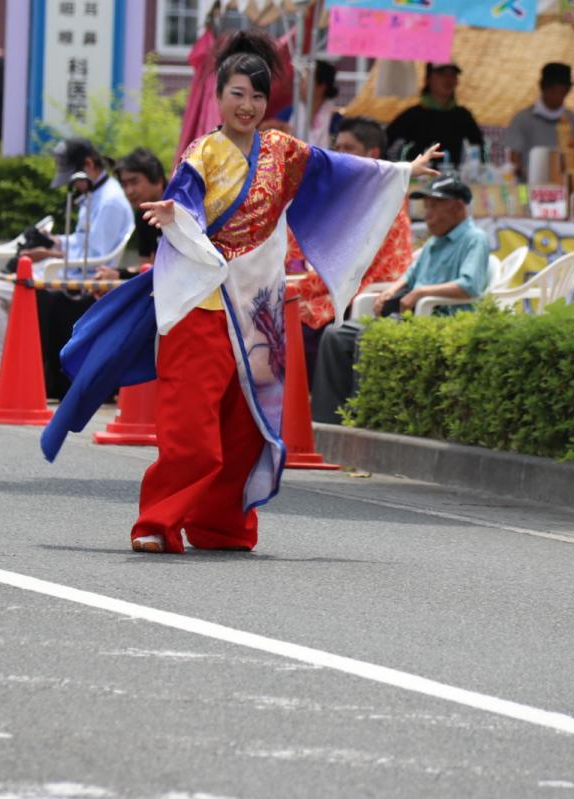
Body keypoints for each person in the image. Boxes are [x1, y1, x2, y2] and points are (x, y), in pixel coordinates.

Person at [39, 30, 441, 555]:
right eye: (237, 94)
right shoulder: (202, 153)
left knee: (246, 427)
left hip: (257, 309)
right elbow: (185, 199)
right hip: (200, 302)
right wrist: (175, 213)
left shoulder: (281, 151)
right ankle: (157, 522)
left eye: (257, 95)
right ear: (218, 96)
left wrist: (400, 172)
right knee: (191, 432)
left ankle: (220, 526)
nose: (247, 105)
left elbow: (336, 169)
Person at [310, 174, 488, 425]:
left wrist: (421, 292)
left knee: (369, 337)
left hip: (441, 319)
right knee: (335, 335)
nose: (427, 214)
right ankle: (327, 420)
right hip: (409, 317)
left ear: (458, 207)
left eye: (434, 206)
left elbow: (469, 286)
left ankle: (363, 417)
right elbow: (410, 275)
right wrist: (392, 290)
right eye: (426, 206)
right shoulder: (433, 243)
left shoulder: (474, 239)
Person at [0, 138, 133, 393]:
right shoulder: (97, 194)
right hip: (65, 270)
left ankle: (1, 371)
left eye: (74, 179)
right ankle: (11, 368)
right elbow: (83, 241)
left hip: (74, 280)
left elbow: (93, 257)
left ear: (89, 165)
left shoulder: (109, 201)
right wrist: (54, 241)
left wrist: (49, 254)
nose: (73, 186)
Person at [294, 116, 413, 381]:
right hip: (340, 284)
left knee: (293, 321)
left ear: (373, 154)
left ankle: (307, 401)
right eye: (337, 148)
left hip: (367, 289)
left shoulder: (384, 198)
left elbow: (353, 259)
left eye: (348, 148)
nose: (340, 155)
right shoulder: (350, 192)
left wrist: (306, 283)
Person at [386, 62, 483, 168]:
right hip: (418, 176)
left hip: (451, 175)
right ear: (428, 79)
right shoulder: (412, 115)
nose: (448, 79)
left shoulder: (463, 116)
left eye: (452, 74)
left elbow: (479, 148)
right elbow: (386, 143)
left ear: (457, 81)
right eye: (442, 73)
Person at [505, 63, 574, 183]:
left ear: (568, 91)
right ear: (543, 88)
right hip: (527, 186)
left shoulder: (573, 120)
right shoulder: (522, 119)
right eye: (553, 91)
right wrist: (524, 171)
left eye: (562, 92)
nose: (557, 96)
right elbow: (513, 157)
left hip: (564, 187)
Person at [265, 60, 342, 149]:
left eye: (304, 81)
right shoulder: (289, 114)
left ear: (321, 86)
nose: (299, 85)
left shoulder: (335, 120)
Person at [114, 147, 167, 270]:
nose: (129, 191)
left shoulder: (181, 206)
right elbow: (146, 267)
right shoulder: (143, 214)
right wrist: (118, 273)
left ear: (158, 180)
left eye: (134, 182)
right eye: (124, 185)